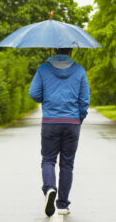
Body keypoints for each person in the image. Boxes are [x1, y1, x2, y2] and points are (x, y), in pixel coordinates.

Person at [29, 48, 90, 217]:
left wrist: (47, 95)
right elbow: (84, 99)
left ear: (54, 49)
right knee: (67, 164)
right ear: (71, 50)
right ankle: (62, 205)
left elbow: (34, 94)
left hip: (50, 121)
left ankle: (49, 188)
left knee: (48, 159)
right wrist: (80, 117)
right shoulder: (79, 70)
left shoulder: (43, 69)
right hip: (72, 122)